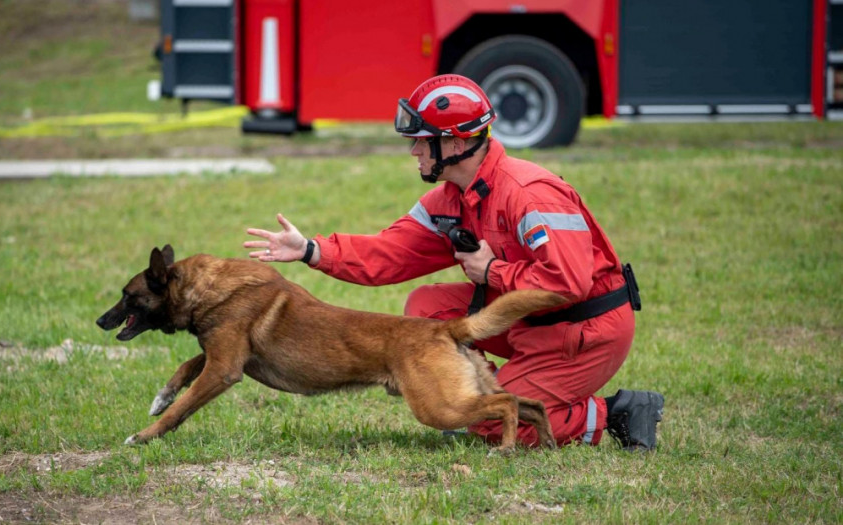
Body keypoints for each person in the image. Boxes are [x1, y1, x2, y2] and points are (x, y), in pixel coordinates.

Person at [243, 74, 664, 451]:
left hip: (583, 327)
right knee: (425, 311)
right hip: (526, 317)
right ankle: (485, 394)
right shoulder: (451, 196)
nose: (413, 151)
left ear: (457, 144)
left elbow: (568, 282)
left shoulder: (529, 193)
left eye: (422, 140)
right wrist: (311, 250)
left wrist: (492, 272)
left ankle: (613, 413)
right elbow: (390, 252)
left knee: (493, 423)